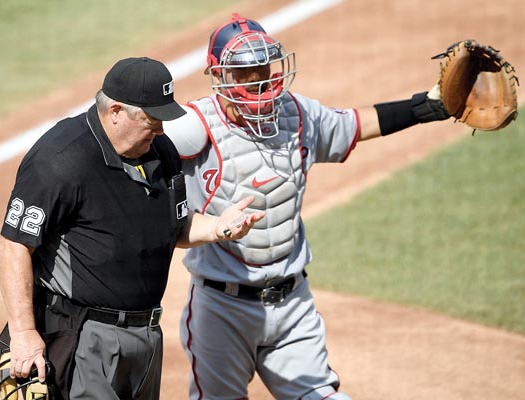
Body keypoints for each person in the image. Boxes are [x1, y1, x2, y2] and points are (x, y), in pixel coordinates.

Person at [162, 14, 451, 400]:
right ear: (222, 76)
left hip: (293, 301)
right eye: (246, 71)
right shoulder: (195, 126)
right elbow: (135, 149)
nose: (259, 79)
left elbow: (353, 125)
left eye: (263, 66)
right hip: (221, 308)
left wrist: (425, 108)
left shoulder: (295, 114)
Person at [0, 56, 265, 400]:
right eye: (152, 119)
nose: (161, 130)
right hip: (84, 337)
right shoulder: (61, 160)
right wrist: (22, 333)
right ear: (117, 111)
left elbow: (174, 228)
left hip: (147, 338)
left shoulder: (160, 152)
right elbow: (14, 244)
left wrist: (218, 228)